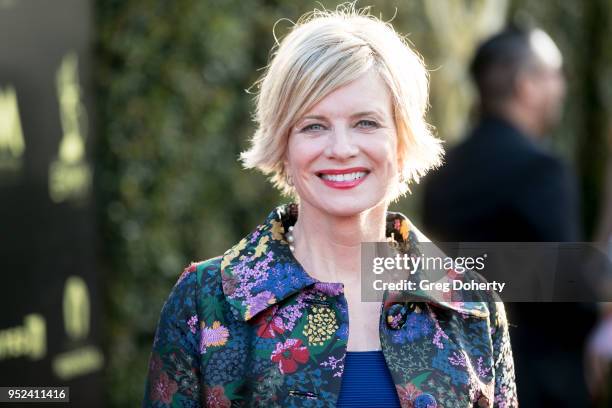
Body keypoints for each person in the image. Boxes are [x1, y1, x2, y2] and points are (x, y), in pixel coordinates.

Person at [143, 6, 517, 407]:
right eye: (314, 125)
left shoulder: (471, 305)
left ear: (403, 138)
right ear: (283, 144)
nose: (341, 149)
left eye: (366, 123)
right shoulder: (204, 302)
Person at [423, 27, 596, 406]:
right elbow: (572, 292)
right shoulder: (541, 169)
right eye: (554, 75)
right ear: (526, 85)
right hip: (539, 382)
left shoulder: (441, 171)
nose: (562, 88)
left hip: (454, 379)